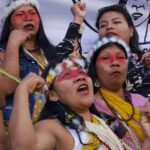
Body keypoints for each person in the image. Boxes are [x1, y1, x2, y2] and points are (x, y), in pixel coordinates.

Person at [9, 56, 139, 150]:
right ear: (53, 95)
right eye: (67, 75)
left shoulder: (103, 122)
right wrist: (22, 90)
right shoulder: (53, 128)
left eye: (82, 72)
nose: (80, 77)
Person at [0, 0, 86, 123]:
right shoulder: (3, 51)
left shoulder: (50, 53)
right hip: (21, 130)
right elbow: (8, 87)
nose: (28, 17)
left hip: (57, 126)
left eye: (32, 13)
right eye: (20, 14)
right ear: (9, 24)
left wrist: (78, 17)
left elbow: (68, 43)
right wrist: (13, 43)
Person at [88, 36, 148, 149]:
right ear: (94, 69)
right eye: (106, 58)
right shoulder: (90, 107)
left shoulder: (142, 101)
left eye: (120, 57)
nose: (115, 63)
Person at [95, 4, 150, 101]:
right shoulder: (90, 64)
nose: (109, 27)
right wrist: (77, 20)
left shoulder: (145, 60)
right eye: (103, 25)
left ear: (131, 31)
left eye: (116, 22)